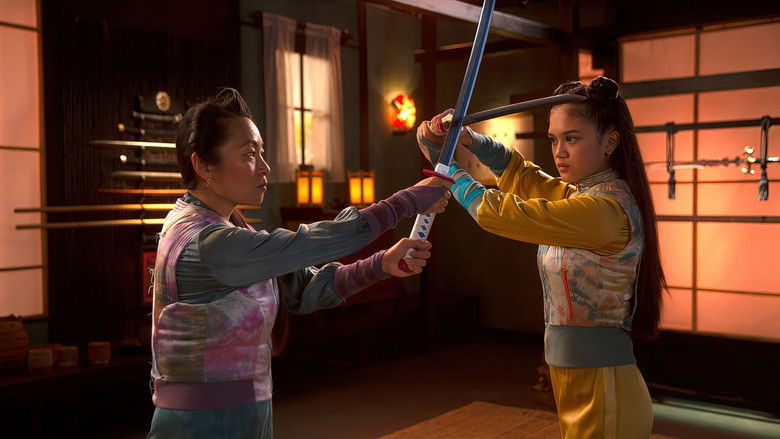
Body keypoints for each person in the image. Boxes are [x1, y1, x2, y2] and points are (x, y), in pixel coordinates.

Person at [147, 88, 452, 438]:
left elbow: (304, 288)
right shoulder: (204, 242)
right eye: (249, 154)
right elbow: (309, 243)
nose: (265, 167)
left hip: (246, 414)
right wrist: (403, 202)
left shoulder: (230, 228)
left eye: (262, 152)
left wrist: (381, 264)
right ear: (203, 165)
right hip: (199, 425)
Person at [416, 76, 666, 438]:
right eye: (553, 139)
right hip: (575, 377)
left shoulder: (606, 211)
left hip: (604, 387)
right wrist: (468, 139)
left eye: (572, 139)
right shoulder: (582, 196)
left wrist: (450, 171)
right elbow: (521, 175)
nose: (559, 152)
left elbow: (499, 213)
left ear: (610, 141)